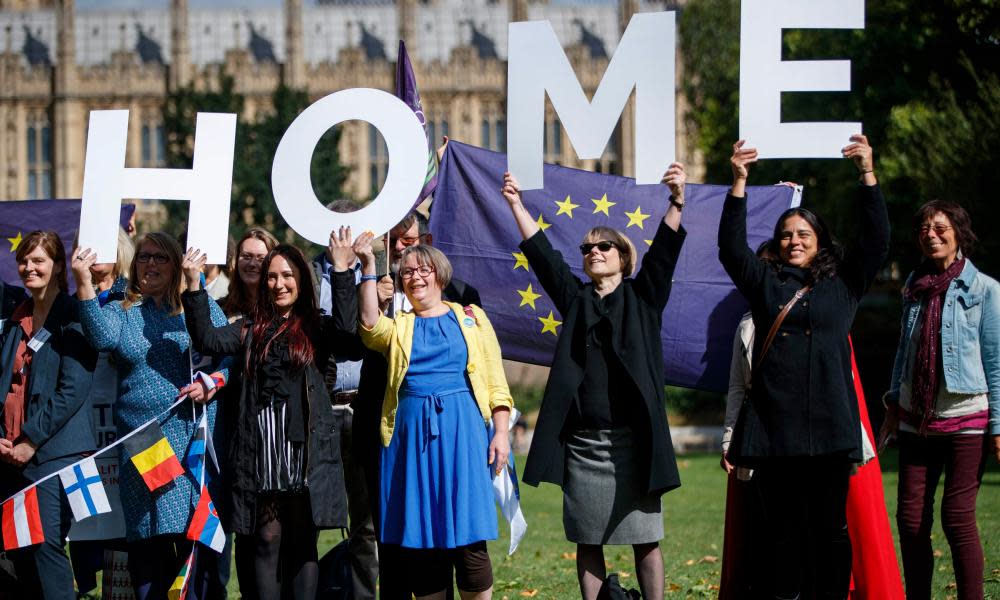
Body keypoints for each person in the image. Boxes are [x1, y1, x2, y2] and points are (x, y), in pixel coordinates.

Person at [502, 163, 688, 600]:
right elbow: (544, 255)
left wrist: (677, 200)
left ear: (623, 256)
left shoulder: (643, 299)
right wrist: (515, 204)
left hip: (635, 442)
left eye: (604, 246)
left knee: (645, 537)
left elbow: (664, 253)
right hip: (584, 445)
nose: (594, 251)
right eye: (587, 248)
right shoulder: (576, 299)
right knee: (588, 538)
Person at [718, 135, 889, 599]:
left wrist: (866, 174)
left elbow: (876, 239)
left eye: (803, 235)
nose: (793, 241)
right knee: (783, 534)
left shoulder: (845, 283)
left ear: (819, 242)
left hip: (831, 430)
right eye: (786, 235)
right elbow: (732, 251)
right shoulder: (765, 284)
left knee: (831, 531)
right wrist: (738, 182)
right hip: (775, 435)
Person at [181, 242, 352, 599]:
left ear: (302, 281)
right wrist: (193, 284)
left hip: (303, 455)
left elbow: (348, 332)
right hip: (261, 456)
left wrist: (340, 270)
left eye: (287, 275)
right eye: (272, 277)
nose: (279, 284)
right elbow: (207, 338)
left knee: (303, 542)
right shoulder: (249, 328)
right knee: (265, 539)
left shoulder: (316, 328)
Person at [348, 228, 512, 600]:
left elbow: (497, 382)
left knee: (470, 537)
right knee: (421, 537)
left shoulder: (472, 318)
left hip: (463, 434)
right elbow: (370, 327)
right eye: (407, 272)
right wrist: (370, 265)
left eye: (422, 270)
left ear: (439, 274)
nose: (415, 277)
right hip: (410, 440)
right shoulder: (400, 326)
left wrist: (501, 433)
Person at [71, 232, 230, 600]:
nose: (151, 264)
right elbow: (101, 338)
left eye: (160, 257)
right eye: (143, 257)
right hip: (144, 444)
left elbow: (230, 356)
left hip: (192, 439)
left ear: (175, 263)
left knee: (191, 539)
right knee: (147, 545)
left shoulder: (197, 305)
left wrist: (213, 381)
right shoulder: (123, 310)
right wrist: (83, 283)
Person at [881, 200, 999, 600]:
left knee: (957, 517)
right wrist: (894, 406)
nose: (931, 234)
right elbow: (904, 352)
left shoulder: (985, 290)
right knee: (911, 519)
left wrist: (998, 426)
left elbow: (995, 363)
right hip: (916, 419)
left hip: (967, 415)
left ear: (959, 233)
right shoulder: (914, 286)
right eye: (924, 229)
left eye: (940, 227)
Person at [0, 231, 96, 600]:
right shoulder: (16, 317)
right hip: (10, 454)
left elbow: (72, 389)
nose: (29, 267)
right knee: (18, 549)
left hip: (53, 454)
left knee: (44, 546)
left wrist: (30, 439)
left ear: (58, 267)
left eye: (38, 260)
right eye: (24, 260)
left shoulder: (74, 315)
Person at [310, 200, 378, 600]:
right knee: (309, 515)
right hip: (322, 408)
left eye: (349, 228)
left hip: (364, 409)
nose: (343, 236)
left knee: (365, 520)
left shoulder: (377, 276)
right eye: (336, 228)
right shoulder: (306, 273)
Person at [67, 227, 134, 597]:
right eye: (83, 246)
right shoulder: (68, 303)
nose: (91, 253)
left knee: (124, 541)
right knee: (87, 528)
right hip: (84, 435)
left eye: (100, 245)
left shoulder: (134, 299)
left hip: (126, 432)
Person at [223, 228, 280, 322]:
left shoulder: (282, 311)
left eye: (261, 258)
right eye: (246, 256)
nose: (252, 264)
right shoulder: (222, 309)